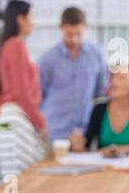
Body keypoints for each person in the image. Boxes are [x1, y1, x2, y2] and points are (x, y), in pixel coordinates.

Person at [38, 7, 109, 142]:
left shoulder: (96, 55)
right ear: (61, 28)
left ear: (85, 28)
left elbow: (100, 93)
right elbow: (37, 96)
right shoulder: (47, 59)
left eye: (78, 34)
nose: (74, 39)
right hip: (53, 132)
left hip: (84, 133)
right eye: (69, 34)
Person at [0, 0, 47, 179]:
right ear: (20, 19)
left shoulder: (7, 45)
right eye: (32, 16)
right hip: (16, 120)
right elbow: (21, 92)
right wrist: (41, 121)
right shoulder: (16, 45)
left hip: (13, 118)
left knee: (17, 184)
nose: (34, 21)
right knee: (23, 182)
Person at [70, 70, 129, 157]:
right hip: (104, 169)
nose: (113, 81)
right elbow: (86, 148)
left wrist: (121, 149)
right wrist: (78, 146)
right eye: (113, 77)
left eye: (121, 78)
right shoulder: (99, 110)